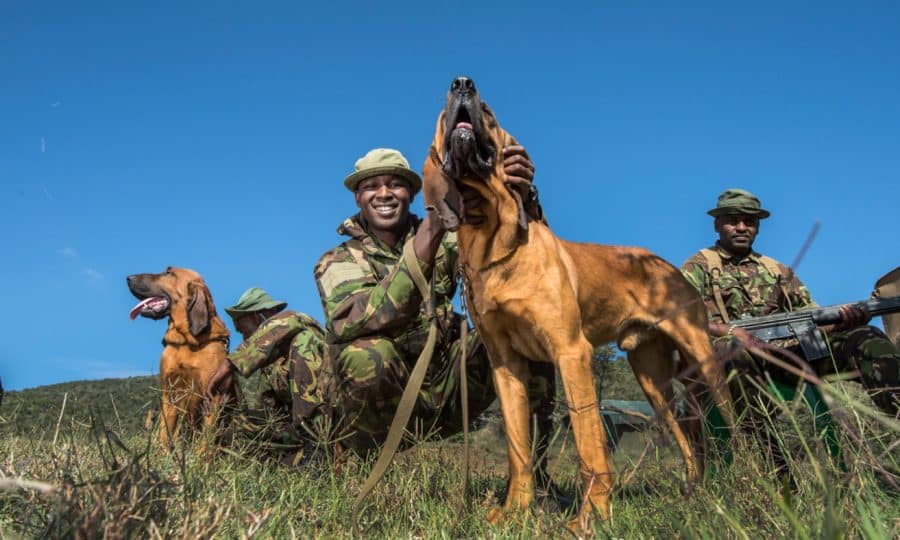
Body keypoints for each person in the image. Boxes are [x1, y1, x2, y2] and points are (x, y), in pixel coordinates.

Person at [208, 146, 556, 469]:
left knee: (524, 333)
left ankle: (533, 477)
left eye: (396, 185)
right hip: (380, 410)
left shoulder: (448, 238)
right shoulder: (335, 262)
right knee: (366, 354)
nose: (385, 193)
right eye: (372, 186)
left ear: (413, 193)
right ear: (358, 198)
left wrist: (521, 200)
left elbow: (519, 265)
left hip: (443, 389)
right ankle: (345, 463)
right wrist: (431, 234)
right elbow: (363, 319)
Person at [680, 188, 900, 425]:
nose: (742, 227)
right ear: (717, 225)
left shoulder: (777, 270)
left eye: (750, 222)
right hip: (731, 360)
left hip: (786, 356)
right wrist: (729, 332)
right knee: (733, 348)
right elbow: (676, 319)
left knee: (866, 337)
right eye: (733, 221)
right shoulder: (698, 266)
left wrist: (843, 322)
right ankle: (762, 447)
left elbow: (813, 319)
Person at [220, 287, 325, 447]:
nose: (244, 338)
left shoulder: (303, 335)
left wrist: (229, 366)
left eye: (243, 330)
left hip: (329, 423)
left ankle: (314, 439)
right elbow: (265, 415)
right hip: (293, 437)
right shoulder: (263, 368)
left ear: (257, 317)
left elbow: (292, 319)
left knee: (303, 339)